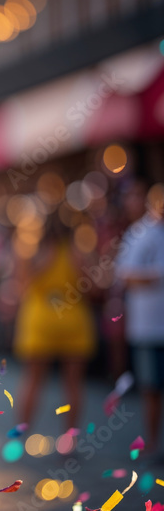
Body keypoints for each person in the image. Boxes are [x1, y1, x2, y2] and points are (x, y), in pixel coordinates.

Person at [13, 218, 95, 435]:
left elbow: (20, 285)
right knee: (73, 384)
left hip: (39, 322)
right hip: (74, 322)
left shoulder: (31, 253)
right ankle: (69, 440)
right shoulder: (77, 254)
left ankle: (21, 435)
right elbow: (91, 288)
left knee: (33, 380)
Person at [116, 183, 164, 458]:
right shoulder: (140, 233)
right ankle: (153, 444)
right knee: (151, 388)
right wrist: (157, 275)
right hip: (149, 327)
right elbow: (126, 274)